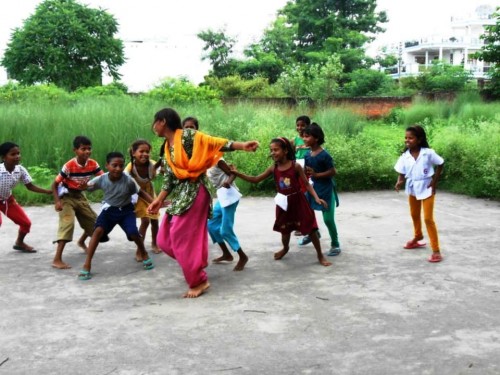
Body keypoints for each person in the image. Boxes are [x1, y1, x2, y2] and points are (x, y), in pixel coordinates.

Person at [147, 108, 259, 298]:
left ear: (163, 121)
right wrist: (158, 200)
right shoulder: (167, 146)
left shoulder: (187, 136)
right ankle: (194, 262)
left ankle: (199, 281)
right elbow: (170, 180)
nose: (153, 126)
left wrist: (242, 145)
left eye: (155, 121)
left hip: (196, 191)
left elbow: (214, 142)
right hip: (181, 194)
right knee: (164, 239)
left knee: (179, 235)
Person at [231, 137, 332, 267]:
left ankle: (320, 255)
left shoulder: (295, 166)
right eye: (271, 150)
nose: (273, 153)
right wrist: (237, 173)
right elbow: (256, 179)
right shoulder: (273, 168)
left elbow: (307, 184)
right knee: (285, 231)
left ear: (285, 151)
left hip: (299, 201)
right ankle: (285, 248)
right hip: (283, 203)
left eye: (276, 150)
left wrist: (316, 198)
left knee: (311, 228)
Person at [182, 116, 248, 271]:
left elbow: (232, 173)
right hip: (221, 197)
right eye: (186, 127)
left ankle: (242, 256)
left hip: (230, 195)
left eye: (192, 127)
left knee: (225, 229)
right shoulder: (199, 158)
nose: (189, 130)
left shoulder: (216, 157)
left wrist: (228, 181)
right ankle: (226, 253)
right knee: (211, 225)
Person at [78, 152, 155, 280]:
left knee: (133, 233)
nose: (118, 169)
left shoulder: (128, 180)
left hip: (126, 211)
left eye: (121, 166)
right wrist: (84, 187)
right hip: (109, 210)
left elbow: (141, 193)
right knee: (97, 231)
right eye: (114, 165)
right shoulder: (101, 179)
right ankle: (87, 264)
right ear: (107, 165)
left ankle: (144, 253)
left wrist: (155, 203)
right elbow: (88, 187)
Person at [51, 136, 104, 269]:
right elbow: (54, 184)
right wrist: (57, 201)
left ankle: (81, 241)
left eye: (89, 148)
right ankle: (57, 259)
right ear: (75, 150)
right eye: (83, 149)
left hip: (80, 195)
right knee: (67, 224)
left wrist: (90, 187)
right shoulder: (69, 166)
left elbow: (103, 179)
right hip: (66, 197)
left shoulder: (93, 164)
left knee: (95, 223)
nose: (87, 151)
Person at [395, 125, 445, 263]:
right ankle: (418, 237)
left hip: (427, 187)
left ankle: (436, 250)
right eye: (406, 138)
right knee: (414, 214)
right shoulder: (405, 156)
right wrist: (400, 181)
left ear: (419, 139)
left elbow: (441, 163)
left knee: (428, 218)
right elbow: (401, 171)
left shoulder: (428, 153)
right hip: (412, 187)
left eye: (411, 138)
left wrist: (434, 182)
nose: (407, 140)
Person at [0, 142, 52, 252]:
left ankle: (19, 243)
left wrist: (47, 191)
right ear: (4, 157)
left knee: (25, 223)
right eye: (13, 154)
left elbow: (30, 186)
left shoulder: (20, 170)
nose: (17, 156)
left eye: (18, 153)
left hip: (7, 200)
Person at [299, 123, 341, 256]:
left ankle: (335, 244)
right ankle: (313, 232)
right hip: (313, 187)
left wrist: (318, 175)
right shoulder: (307, 155)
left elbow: (333, 171)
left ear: (316, 138)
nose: (304, 139)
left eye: (307, 136)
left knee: (328, 219)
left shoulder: (325, 155)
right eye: (303, 137)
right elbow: (306, 172)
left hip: (326, 189)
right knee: (304, 211)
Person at [125, 139, 161, 259]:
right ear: (133, 153)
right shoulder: (130, 168)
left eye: (147, 151)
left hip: (150, 192)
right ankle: (140, 249)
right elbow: (127, 184)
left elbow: (163, 170)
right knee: (145, 221)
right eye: (141, 151)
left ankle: (154, 243)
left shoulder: (152, 164)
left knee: (155, 220)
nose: (145, 154)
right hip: (138, 194)